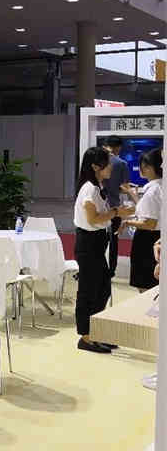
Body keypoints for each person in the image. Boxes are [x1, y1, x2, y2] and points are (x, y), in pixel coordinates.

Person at [73, 147, 136, 353]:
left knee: (102, 289)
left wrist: (116, 214)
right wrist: (116, 212)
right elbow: (93, 219)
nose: (111, 167)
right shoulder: (89, 189)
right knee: (89, 291)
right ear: (95, 166)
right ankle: (86, 336)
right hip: (88, 243)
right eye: (107, 163)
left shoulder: (98, 186)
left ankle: (96, 332)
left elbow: (101, 217)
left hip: (96, 242)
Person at [119, 148, 163, 292]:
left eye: (143, 165)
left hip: (147, 240)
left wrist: (127, 222)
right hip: (156, 237)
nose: (140, 168)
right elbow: (149, 213)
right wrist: (133, 194)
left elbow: (149, 223)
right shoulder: (159, 187)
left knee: (146, 285)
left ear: (149, 167)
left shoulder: (153, 191)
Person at [102, 135, 130, 279]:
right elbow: (124, 188)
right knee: (114, 240)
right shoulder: (121, 163)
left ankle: (95, 266)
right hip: (114, 207)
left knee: (98, 239)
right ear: (118, 148)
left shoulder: (98, 160)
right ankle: (111, 271)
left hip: (98, 206)